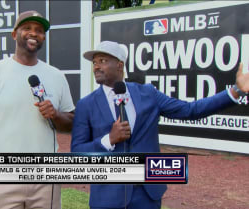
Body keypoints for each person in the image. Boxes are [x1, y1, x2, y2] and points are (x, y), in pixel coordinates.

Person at [71, 40, 249, 209]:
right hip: (107, 198)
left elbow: (189, 110)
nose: (96, 66)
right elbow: (78, 154)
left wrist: (234, 91)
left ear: (119, 65)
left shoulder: (148, 94)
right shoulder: (86, 105)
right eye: (94, 62)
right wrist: (108, 140)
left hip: (147, 195)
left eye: (102, 61)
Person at [0, 10, 75, 209]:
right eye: (27, 28)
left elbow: (71, 123)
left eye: (40, 30)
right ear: (14, 34)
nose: (34, 33)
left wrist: (56, 115)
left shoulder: (57, 76)